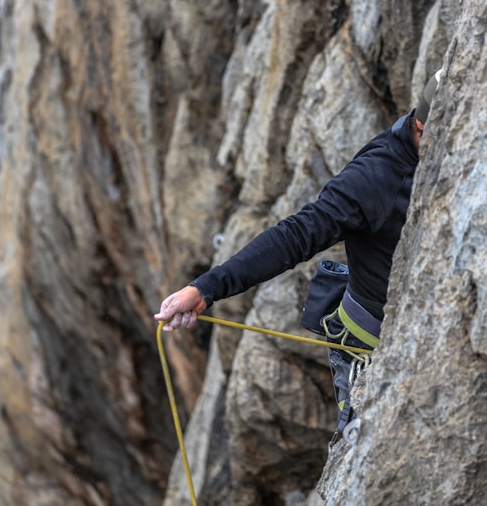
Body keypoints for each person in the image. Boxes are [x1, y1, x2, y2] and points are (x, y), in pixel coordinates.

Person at [155, 72, 442, 437]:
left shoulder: (428, 155)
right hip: (369, 344)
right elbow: (295, 236)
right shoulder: (377, 175)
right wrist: (204, 289)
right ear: (422, 125)